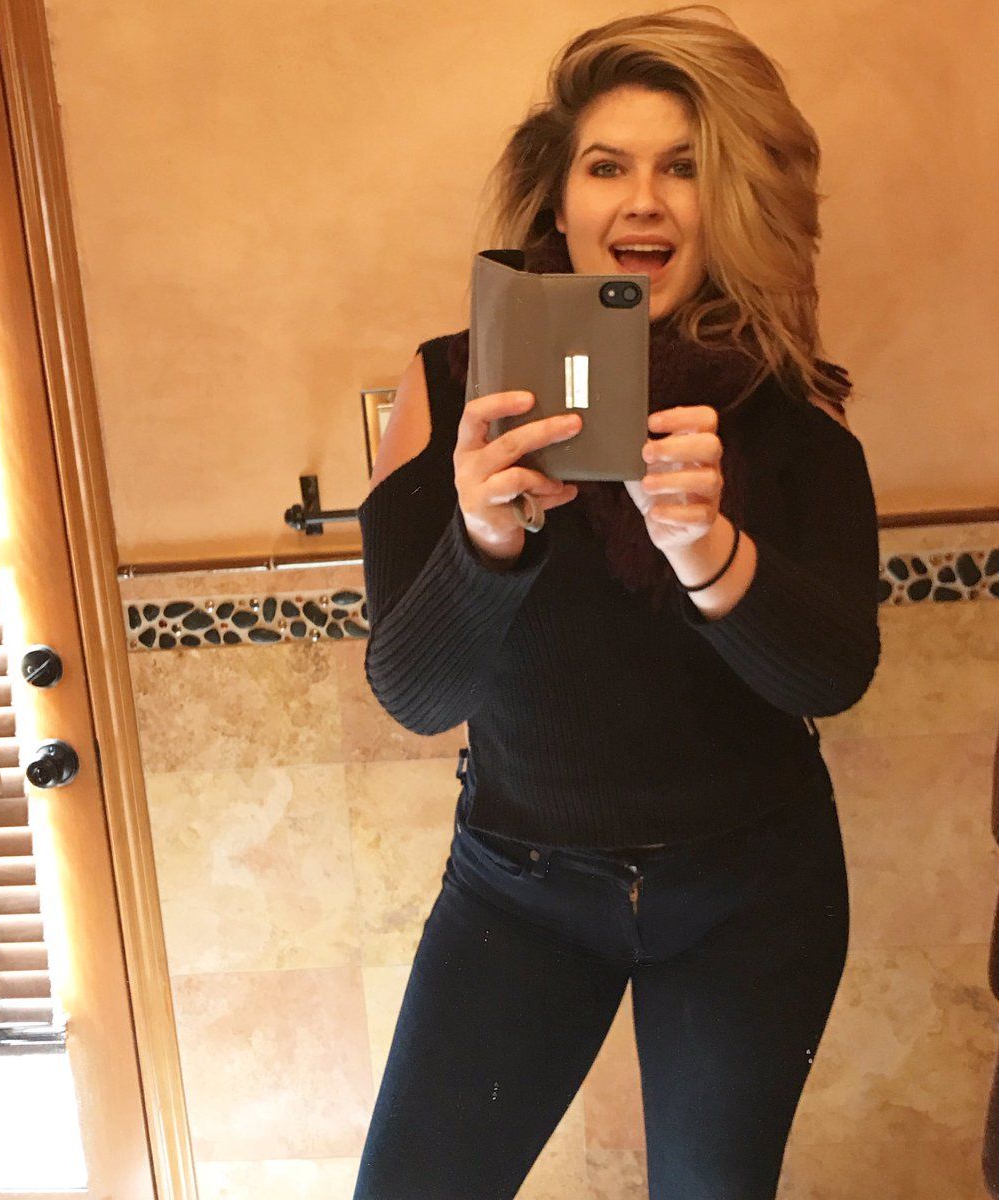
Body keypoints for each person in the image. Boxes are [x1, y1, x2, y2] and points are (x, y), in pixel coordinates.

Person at [352, 7, 881, 1200]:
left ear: (726, 198)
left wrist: (709, 550)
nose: (644, 202)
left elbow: (832, 677)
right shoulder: (451, 388)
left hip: (753, 892)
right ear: (560, 199)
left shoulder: (787, 400)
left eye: (683, 168)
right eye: (608, 167)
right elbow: (416, 695)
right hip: (518, 891)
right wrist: (486, 537)